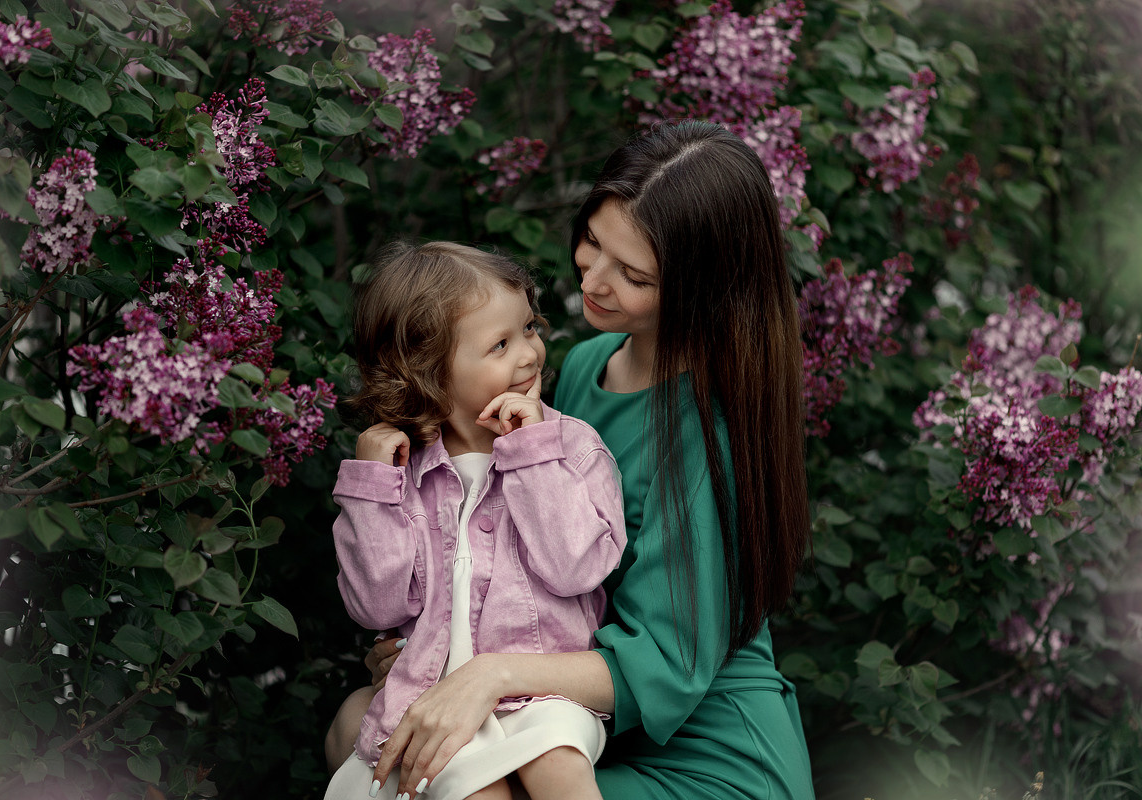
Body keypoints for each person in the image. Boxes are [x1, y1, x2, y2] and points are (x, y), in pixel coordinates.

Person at [325, 118, 814, 800]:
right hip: (580, 718)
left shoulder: (711, 429)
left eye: (633, 272)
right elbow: (513, 536)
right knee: (378, 745)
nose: (593, 277)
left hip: (704, 748)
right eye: (592, 240)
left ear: (700, 289)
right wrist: (435, 646)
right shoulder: (585, 366)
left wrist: (485, 674)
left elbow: (666, 666)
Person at [325, 241, 628, 800]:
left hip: (542, 693)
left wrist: (533, 450)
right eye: (501, 344)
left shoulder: (570, 447)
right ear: (429, 373)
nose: (530, 354)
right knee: (459, 787)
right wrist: (373, 490)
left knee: (559, 765)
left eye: (530, 328)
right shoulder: (402, 473)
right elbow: (378, 607)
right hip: (435, 697)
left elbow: (577, 568)